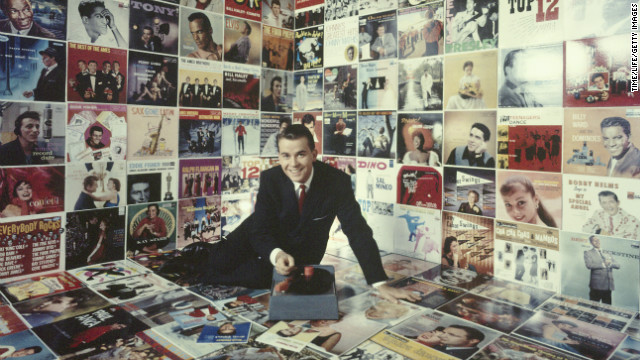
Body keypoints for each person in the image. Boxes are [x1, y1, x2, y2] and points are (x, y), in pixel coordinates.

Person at [161, 125, 420, 303]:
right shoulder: (271, 178)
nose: (293, 164)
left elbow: (358, 232)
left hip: (301, 250)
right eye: (285, 155)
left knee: (258, 278)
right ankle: (205, 253)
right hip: (262, 233)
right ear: (279, 156)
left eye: (300, 155)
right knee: (219, 261)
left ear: (314, 154)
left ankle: (220, 265)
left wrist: (379, 283)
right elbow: (260, 229)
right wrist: (275, 252)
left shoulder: (336, 182)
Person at [584, 235, 620, 304]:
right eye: (595, 240)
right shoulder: (588, 253)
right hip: (596, 286)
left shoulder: (607, 253)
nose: (597, 242)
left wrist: (610, 264)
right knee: (593, 308)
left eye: (598, 240)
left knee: (607, 309)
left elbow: (618, 265)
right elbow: (588, 265)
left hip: (608, 286)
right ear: (591, 243)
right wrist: (603, 264)